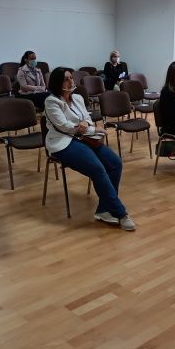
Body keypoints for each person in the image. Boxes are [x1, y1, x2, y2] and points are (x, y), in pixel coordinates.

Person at [44, 67, 135, 231]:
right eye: (66, 79)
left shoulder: (77, 97)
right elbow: (64, 126)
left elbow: (87, 118)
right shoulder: (52, 101)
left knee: (115, 163)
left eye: (71, 78)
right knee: (97, 169)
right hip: (63, 142)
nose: (70, 81)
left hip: (84, 138)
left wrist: (85, 126)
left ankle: (103, 210)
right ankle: (120, 213)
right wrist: (89, 128)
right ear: (57, 83)